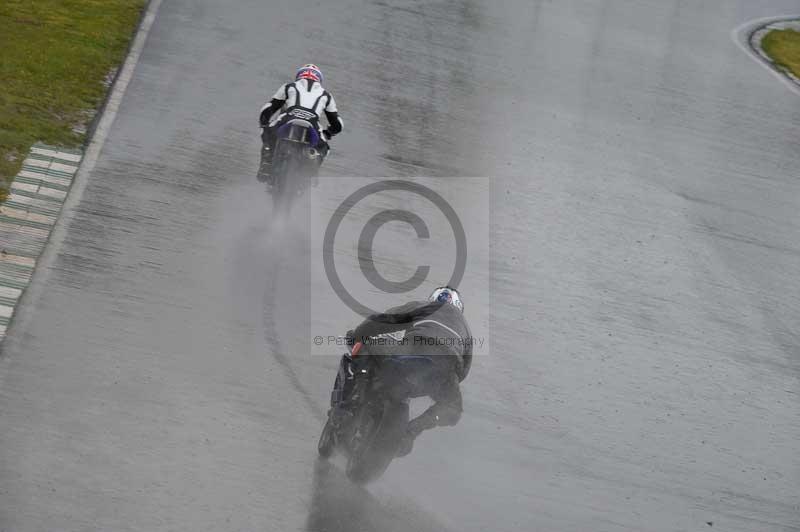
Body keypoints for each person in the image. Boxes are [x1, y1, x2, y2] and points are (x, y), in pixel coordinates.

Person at [330, 286, 472, 457]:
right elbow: (463, 371)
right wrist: (445, 384)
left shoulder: (425, 305)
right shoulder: (466, 329)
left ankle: (348, 405)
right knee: (452, 409)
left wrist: (358, 334)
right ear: (460, 307)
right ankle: (411, 431)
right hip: (445, 367)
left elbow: (385, 320)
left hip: (412, 351)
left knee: (364, 347)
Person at [257, 64, 343, 184]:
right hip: (312, 125)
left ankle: (266, 164)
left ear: (299, 76)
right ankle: (312, 166)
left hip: (288, 119)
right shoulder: (326, 95)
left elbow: (269, 108)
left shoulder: (289, 86)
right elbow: (338, 124)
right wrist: (328, 133)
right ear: (319, 79)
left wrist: (264, 124)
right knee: (323, 148)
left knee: (267, 134)